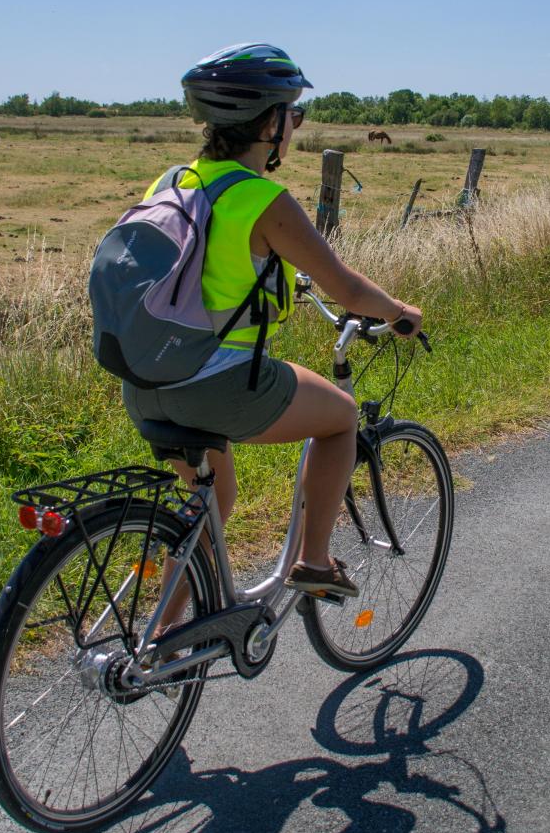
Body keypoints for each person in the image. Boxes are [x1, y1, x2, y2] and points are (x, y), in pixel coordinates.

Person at [122, 43, 422, 617]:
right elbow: (349, 289)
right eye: (294, 114)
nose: (295, 126)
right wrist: (400, 311)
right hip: (215, 383)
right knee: (339, 418)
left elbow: (198, 267)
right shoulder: (263, 198)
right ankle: (313, 562)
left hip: (145, 378)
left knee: (215, 501)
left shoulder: (172, 181)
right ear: (269, 122)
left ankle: (159, 637)